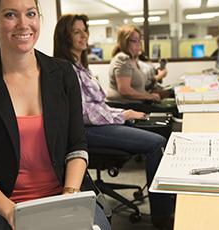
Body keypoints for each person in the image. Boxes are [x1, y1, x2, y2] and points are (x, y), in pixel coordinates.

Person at [0, 1, 110, 229]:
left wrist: (69, 196)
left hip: (65, 192)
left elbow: (77, 145)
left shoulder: (63, 73)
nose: (24, 24)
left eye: (31, 14)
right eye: (10, 15)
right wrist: (11, 212)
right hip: (4, 204)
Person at [53, 14, 175, 229]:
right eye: (77, 32)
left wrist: (122, 111)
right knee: (157, 143)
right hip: (85, 132)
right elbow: (83, 113)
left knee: (159, 128)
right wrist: (122, 115)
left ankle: (167, 199)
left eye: (85, 30)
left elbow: (98, 104)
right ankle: (163, 216)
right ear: (65, 37)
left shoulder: (80, 66)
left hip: (101, 123)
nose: (84, 36)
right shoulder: (66, 68)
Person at [107, 25, 162, 104]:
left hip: (136, 103)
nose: (138, 44)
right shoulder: (122, 59)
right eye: (134, 41)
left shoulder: (133, 59)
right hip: (124, 106)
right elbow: (124, 90)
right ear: (124, 42)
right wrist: (148, 96)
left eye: (139, 40)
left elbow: (142, 85)